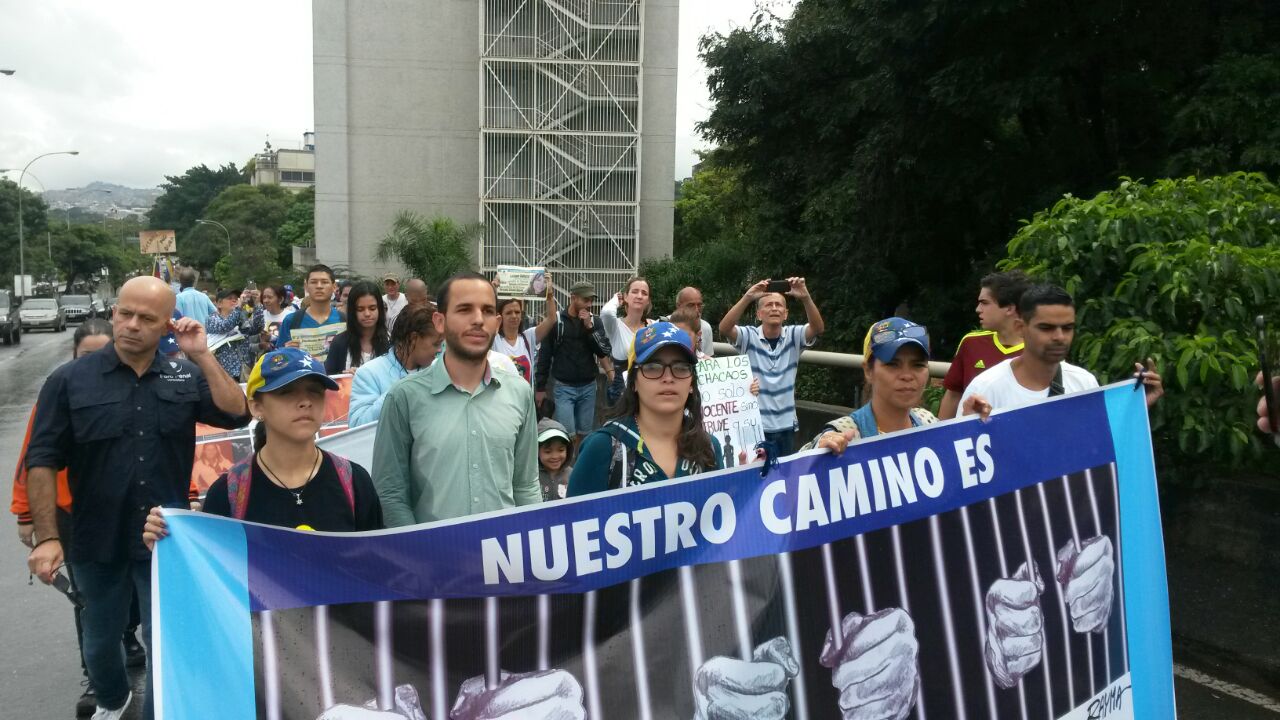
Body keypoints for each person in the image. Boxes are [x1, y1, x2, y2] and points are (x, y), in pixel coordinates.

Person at [25, 276, 251, 720]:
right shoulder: (68, 381)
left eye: (146, 318)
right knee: (100, 639)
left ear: (167, 324)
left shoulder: (185, 373)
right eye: (124, 313)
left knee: (166, 639)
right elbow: (41, 460)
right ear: (113, 314)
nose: (131, 325)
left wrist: (202, 354)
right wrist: (47, 538)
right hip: (95, 536)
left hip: (166, 539)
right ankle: (113, 702)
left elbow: (235, 411)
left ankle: (159, 712)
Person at [10, 321, 144, 717]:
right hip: (71, 511)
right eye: (88, 355)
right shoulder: (62, 392)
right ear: (73, 357)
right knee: (89, 599)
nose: (99, 361)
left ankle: (129, 639)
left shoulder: (140, 390)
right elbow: (34, 458)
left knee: (134, 588)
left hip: (131, 509)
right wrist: (27, 513)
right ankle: (98, 675)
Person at [143, 348, 382, 540]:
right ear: (257, 407)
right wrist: (170, 544)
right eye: (287, 392)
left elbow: (380, 565)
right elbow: (211, 579)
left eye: (315, 391)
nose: (305, 401)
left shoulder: (354, 481)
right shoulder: (227, 494)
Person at [371, 273, 541, 525]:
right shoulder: (404, 398)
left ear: (496, 322)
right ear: (440, 321)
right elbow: (391, 494)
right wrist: (419, 556)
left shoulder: (519, 392)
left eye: (486, 311)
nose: (477, 320)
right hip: (432, 557)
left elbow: (526, 486)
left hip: (504, 558)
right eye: (464, 310)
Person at [961, 284, 1164, 418]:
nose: (1059, 337)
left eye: (1067, 328)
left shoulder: (1084, 383)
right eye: (1046, 328)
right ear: (1020, 328)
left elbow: (1096, 442)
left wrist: (1136, 408)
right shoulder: (985, 389)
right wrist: (969, 426)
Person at [568, 322, 721, 495]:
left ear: (691, 383)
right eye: (653, 368)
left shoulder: (709, 448)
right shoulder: (601, 448)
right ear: (633, 382)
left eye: (680, 368)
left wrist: (748, 482)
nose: (668, 378)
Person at [719, 278, 825, 455]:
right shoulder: (749, 336)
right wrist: (748, 297)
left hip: (787, 425)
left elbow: (817, 328)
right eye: (769, 305)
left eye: (779, 305)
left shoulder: (794, 336)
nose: (774, 308)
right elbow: (724, 328)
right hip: (756, 424)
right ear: (759, 314)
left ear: (785, 313)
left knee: (785, 479)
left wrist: (805, 297)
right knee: (758, 477)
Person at [807, 318, 938, 452]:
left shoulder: (929, 422)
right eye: (892, 364)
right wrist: (819, 454)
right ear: (868, 371)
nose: (907, 376)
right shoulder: (845, 436)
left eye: (918, 365)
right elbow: (798, 469)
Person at [937, 270, 1031, 419]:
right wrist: (939, 438)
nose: (978, 309)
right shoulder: (970, 343)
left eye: (984, 303)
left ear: (1009, 308)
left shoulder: (1037, 351)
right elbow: (953, 396)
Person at [349, 305, 443, 428]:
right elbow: (357, 426)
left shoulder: (439, 369)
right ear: (413, 338)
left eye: (442, 343)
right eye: (436, 344)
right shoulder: (369, 373)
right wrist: (397, 392)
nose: (439, 350)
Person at [493, 273, 557, 383]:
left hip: (525, 399)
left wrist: (549, 295)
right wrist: (492, 289)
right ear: (500, 316)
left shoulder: (528, 337)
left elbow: (551, 319)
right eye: (508, 313)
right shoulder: (494, 340)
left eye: (517, 312)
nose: (514, 316)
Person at [600, 276, 655, 404]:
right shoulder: (615, 326)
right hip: (621, 394)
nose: (639, 296)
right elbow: (607, 312)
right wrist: (616, 300)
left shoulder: (653, 327)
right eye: (634, 291)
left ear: (648, 301)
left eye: (644, 293)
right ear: (625, 296)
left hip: (647, 392)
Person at [278, 265, 344, 357]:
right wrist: (286, 352)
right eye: (314, 282)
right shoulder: (291, 320)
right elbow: (278, 360)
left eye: (324, 282)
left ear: (334, 287)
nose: (319, 286)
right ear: (306, 286)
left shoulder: (344, 320)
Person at [325, 281, 390, 374]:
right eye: (360, 309)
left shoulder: (392, 342)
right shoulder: (339, 343)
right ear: (352, 311)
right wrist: (345, 378)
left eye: (372, 308)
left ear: (379, 308)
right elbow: (330, 380)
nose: (367, 314)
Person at [205, 288, 264, 381]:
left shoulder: (241, 317)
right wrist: (239, 308)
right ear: (219, 304)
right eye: (230, 298)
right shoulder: (212, 319)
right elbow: (224, 327)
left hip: (244, 371)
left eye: (236, 298)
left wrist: (257, 304)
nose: (235, 300)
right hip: (223, 374)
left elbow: (256, 329)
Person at [671, 286, 715, 357]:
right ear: (678, 306)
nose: (696, 310)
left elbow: (707, 362)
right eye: (691, 305)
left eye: (699, 305)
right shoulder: (663, 324)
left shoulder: (706, 327)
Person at [536, 418, 573, 501]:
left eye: (561, 450)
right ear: (536, 451)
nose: (555, 456)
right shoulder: (531, 477)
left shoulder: (573, 475)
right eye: (548, 451)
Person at [259, 284, 294, 350]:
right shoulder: (260, 316)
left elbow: (293, 341)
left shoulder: (291, 316)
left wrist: (270, 338)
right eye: (264, 297)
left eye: (269, 297)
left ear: (280, 299)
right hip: (264, 359)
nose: (265, 301)